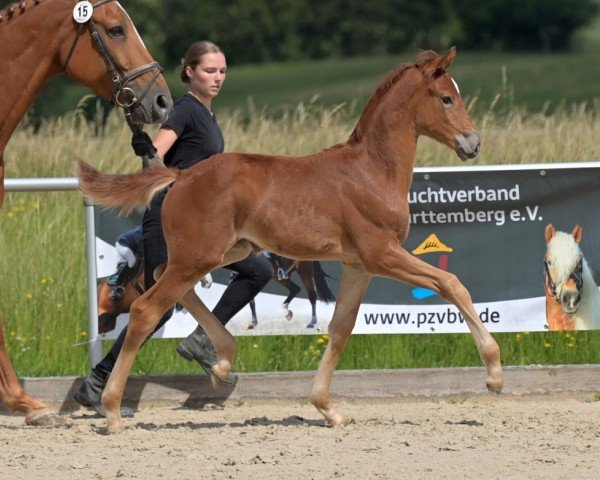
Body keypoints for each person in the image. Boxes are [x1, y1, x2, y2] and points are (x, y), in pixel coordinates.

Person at [74, 41, 273, 417]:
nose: (218, 78)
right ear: (189, 72)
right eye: (209, 71)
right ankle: (98, 383)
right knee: (159, 306)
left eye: (222, 71)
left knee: (257, 270)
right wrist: (147, 151)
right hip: (168, 217)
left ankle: (203, 338)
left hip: (203, 222)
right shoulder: (185, 111)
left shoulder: (206, 115)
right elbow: (158, 156)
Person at [108, 225, 143, 301]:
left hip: (131, 248)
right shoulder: (140, 231)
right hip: (122, 244)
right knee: (132, 261)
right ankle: (118, 287)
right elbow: (142, 247)